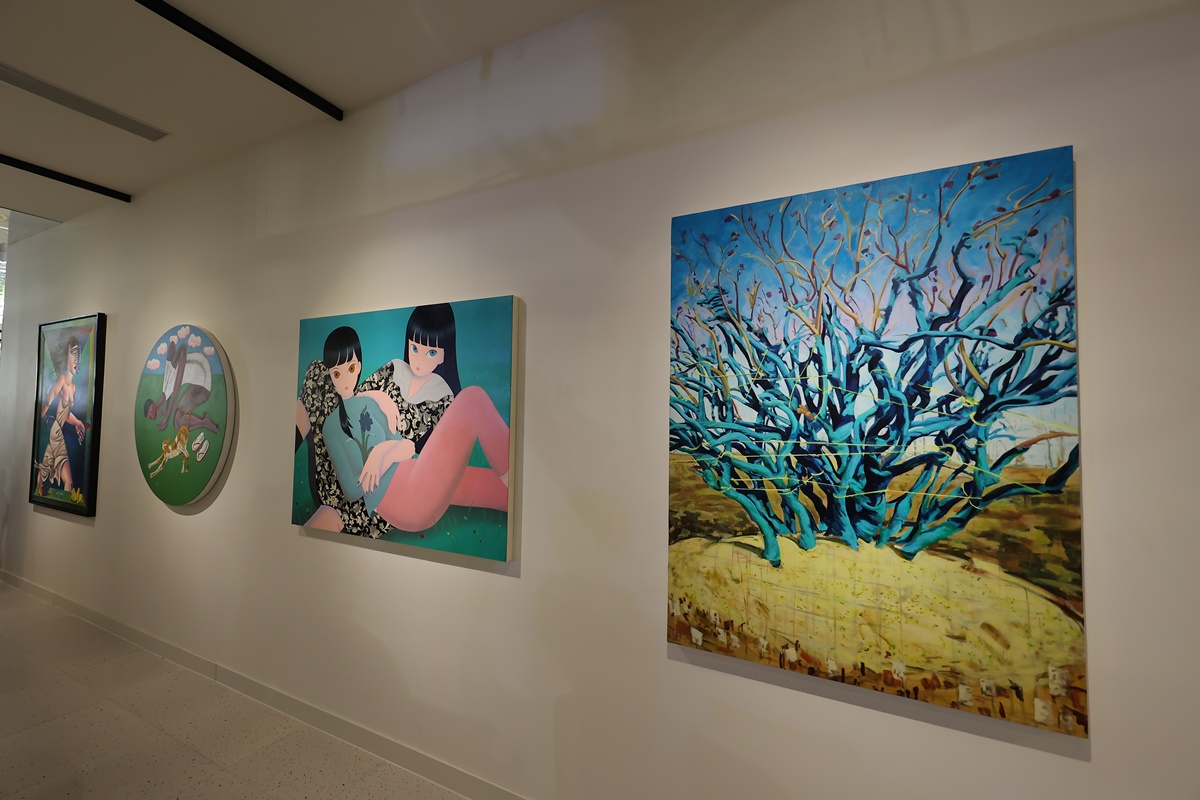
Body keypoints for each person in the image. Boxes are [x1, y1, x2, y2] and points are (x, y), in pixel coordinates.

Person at [297, 304, 509, 536]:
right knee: (473, 398)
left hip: (411, 471)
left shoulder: (444, 397)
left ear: (443, 354)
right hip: (395, 482)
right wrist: (380, 397)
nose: (419, 359)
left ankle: (517, 485)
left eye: (431, 352)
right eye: (414, 347)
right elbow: (355, 399)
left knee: (493, 486)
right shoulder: (394, 369)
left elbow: (413, 449)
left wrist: (382, 453)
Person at [34, 336, 88, 501]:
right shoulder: (62, 381)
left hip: (57, 432)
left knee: (45, 472)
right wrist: (37, 421)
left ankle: (38, 492)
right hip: (55, 432)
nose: (76, 359)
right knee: (67, 480)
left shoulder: (73, 387)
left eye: (78, 353)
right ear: (66, 356)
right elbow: (47, 401)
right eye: (73, 353)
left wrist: (77, 422)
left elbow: (65, 414)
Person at [145, 338, 221, 435]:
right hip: (199, 379)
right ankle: (205, 421)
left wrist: (167, 419)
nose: (149, 417)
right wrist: (167, 409)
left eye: (148, 414)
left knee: (178, 422)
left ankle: (205, 422)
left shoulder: (173, 368)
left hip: (203, 379)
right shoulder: (166, 383)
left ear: (151, 407)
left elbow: (175, 389)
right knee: (177, 424)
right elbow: (169, 393)